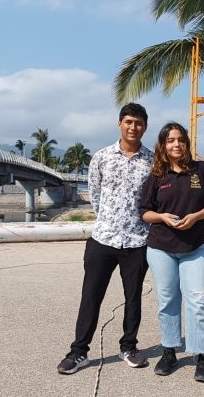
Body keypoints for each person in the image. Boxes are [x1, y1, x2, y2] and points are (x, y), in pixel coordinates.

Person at [57, 103, 155, 375]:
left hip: (137, 241)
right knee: (91, 296)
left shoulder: (153, 161)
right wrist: (109, 221)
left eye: (138, 123)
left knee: (133, 297)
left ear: (145, 126)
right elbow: (96, 196)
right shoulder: (101, 157)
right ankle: (79, 352)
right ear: (119, 124)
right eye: (128, 122)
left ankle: (129, 346)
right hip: (103, 239)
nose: (133, 127)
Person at [139, 122, 204, 382]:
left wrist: (196, 216)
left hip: (194, 248)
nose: (176, 144)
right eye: (170, 140)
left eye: (180, 140)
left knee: (199, 301)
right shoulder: (156, 175)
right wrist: (163, 217)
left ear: (186, 143)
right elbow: (145, 212)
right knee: (167, 301)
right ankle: (169, 351)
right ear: (163, 146)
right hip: (160, 249)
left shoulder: (202, 170)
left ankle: (202, 355)